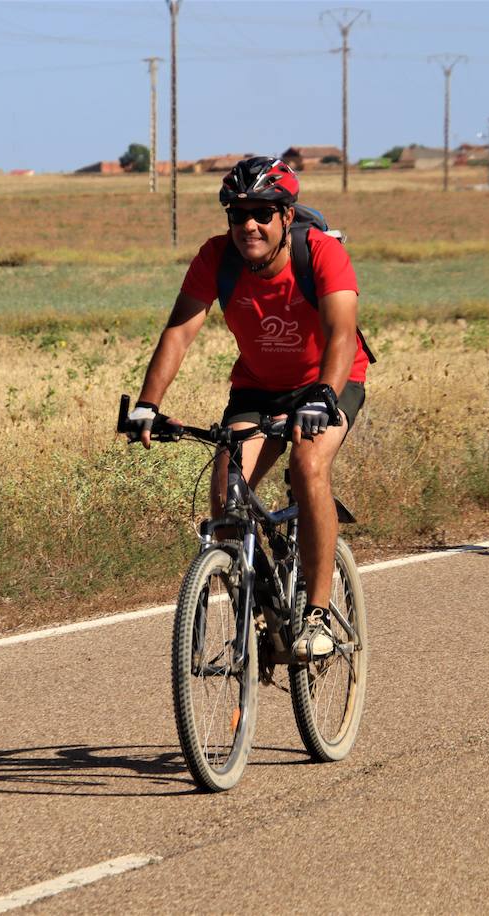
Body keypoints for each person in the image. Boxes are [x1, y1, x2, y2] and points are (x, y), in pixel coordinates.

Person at [127, 156, 368, 660]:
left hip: (328, 380)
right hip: (258, 388)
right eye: (238, 215)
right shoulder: (217, 259)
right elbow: (180, 331)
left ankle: (318, 615)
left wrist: (323, 396)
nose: (249, 226)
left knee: (308, 464)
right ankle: (262, 614)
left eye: (262, 213)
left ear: (286, 215)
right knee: (227, 494)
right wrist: (149, 403)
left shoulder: (321, 253)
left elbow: (342, 333)